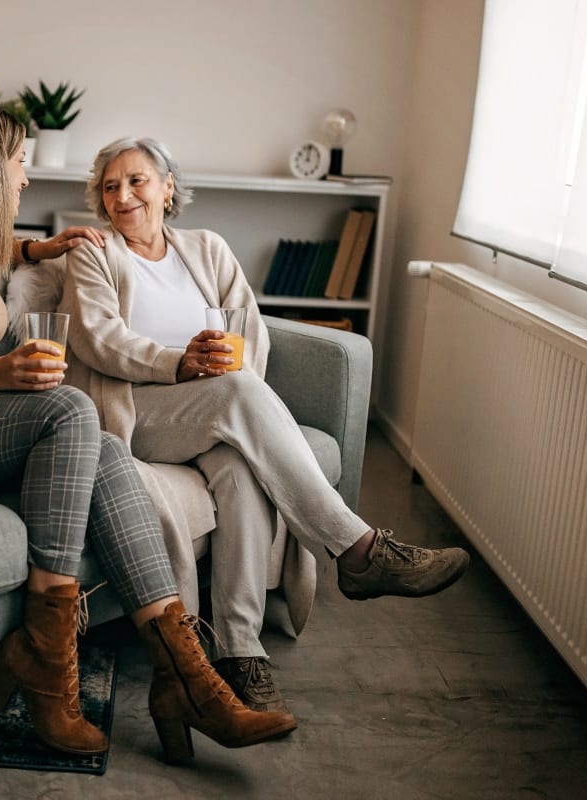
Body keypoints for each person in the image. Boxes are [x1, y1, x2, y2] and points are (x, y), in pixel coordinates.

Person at [0, 98, 297, 763]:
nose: (23, 176)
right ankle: (46, 650)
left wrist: (42, 247)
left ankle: (185, 677)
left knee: (98, 446)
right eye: (17, 161)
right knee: (72, 407)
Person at [58, 136, 471, 714]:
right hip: (139, 411)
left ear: (168, 186)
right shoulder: (96, 253)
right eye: (110, 186)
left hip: (212, 408)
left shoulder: (206, 247)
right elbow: (98, 338)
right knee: (237, 396)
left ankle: (240, 651)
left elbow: (250, 333)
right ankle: (357, 549)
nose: (122, 195)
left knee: (241, 470)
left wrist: (222, 369)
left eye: (137, 180)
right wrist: (180, 363)